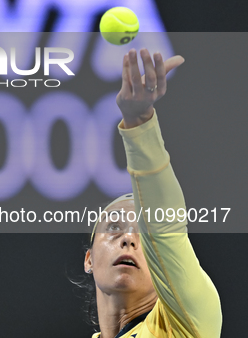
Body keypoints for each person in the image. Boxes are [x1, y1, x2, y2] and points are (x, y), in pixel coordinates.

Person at [83, 48, 222, 338]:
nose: (128, 239)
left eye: (142, 232)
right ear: (89, 260)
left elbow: (166, 227)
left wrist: (139, 123)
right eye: (114, 228)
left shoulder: (188, 325)